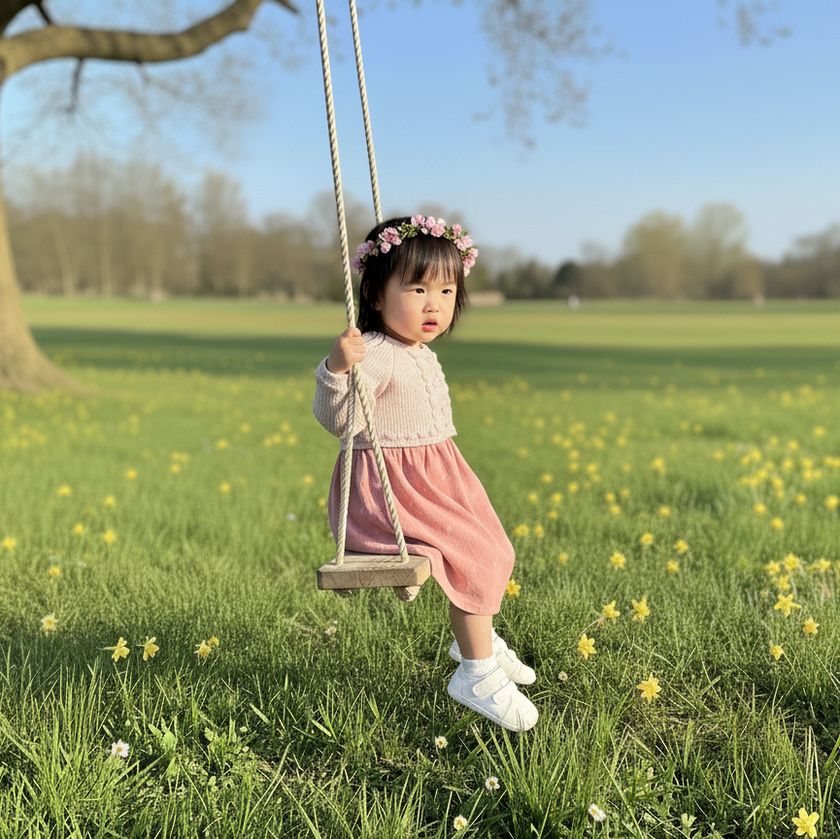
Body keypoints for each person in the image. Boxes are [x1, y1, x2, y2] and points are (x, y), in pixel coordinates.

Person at [313, 215, 538, 732]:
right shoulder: (377, 355)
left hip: (434, 479)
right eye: (417, 289)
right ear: (375, 295)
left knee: (496, 548)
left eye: (446, 290)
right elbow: (342, 422)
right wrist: (337, 369)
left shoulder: (418, 351)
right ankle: (476, 672)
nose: (434, 304)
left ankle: (477, 643)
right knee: (477, 554)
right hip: (391, 493)